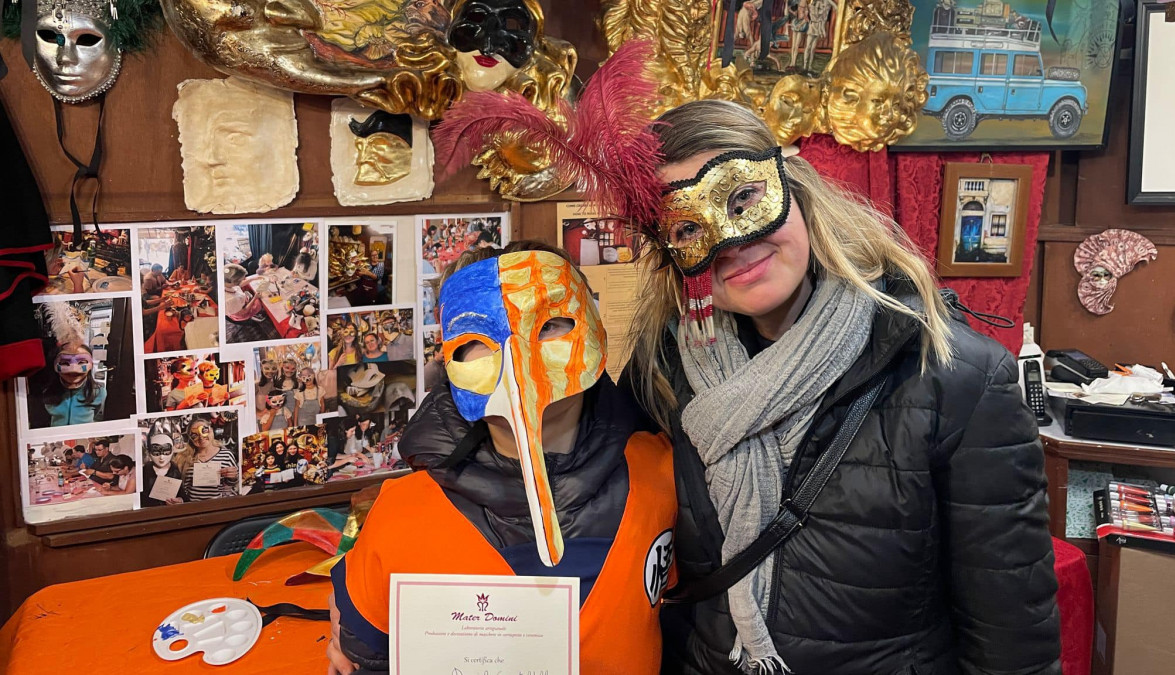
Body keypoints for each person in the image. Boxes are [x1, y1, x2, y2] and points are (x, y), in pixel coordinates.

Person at [622, 100, 1060, 673]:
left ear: (794, 190)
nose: (729, 242)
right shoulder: (663, 374)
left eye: (744, 198)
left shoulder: (956, 378)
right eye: (687, 228)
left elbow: (1011, 633)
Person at [327, 242, 676, 674]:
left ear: (595, 326)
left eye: (550, 323)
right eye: (477, 339)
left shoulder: (660, 473)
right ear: (447, 358)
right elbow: (368, 654)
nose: (518, 361)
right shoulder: (402, 514)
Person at [37, 343, 107, 426]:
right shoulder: (47, 392)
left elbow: (96, 414)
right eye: (64, 363)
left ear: (91, 364)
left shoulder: (98, 392)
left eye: (82, 362)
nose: (73, 369)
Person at [181, 418, 238, 501]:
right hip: (194, 506)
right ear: (190, 438)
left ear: (211, 430)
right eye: (194, 435)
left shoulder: (226, 455)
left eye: (204, 430)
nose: (201, 437)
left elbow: (233, 485)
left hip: (219, 504)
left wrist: (232, 477)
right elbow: (184, 489)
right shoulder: (187, 458)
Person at [142, 433, 185, 507]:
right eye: (156, 453)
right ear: (149, 452)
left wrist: (180, 500)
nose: (161, 457)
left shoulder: (176, 470)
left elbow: (183, 493)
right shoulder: (144, 471)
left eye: (166, 452)